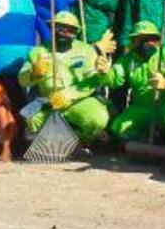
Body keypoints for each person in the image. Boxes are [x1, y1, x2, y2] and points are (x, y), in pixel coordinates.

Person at [18, 12, 112, 145]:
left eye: (69, 30)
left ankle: (79, 141)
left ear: (76, 32)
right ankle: (52, 140)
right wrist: (33, 73)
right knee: (28, 117)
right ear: (52, 29)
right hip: (48, 103)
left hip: (79, 102)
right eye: (59, 28)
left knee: (98, 118)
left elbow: (92, 81)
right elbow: (22, 80)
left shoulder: (86, 50)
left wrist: (68, 95)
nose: (63, 32)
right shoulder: (37, 51)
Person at [107, 20, 165, 145]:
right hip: (140, 109)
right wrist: (104, 73)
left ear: (158, 40)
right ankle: (150, 138)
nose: (145, 43)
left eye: (149, 39)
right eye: (140, 39)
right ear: (133, 42)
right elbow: (113, 78)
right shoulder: (127, 60)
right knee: (118, 128)